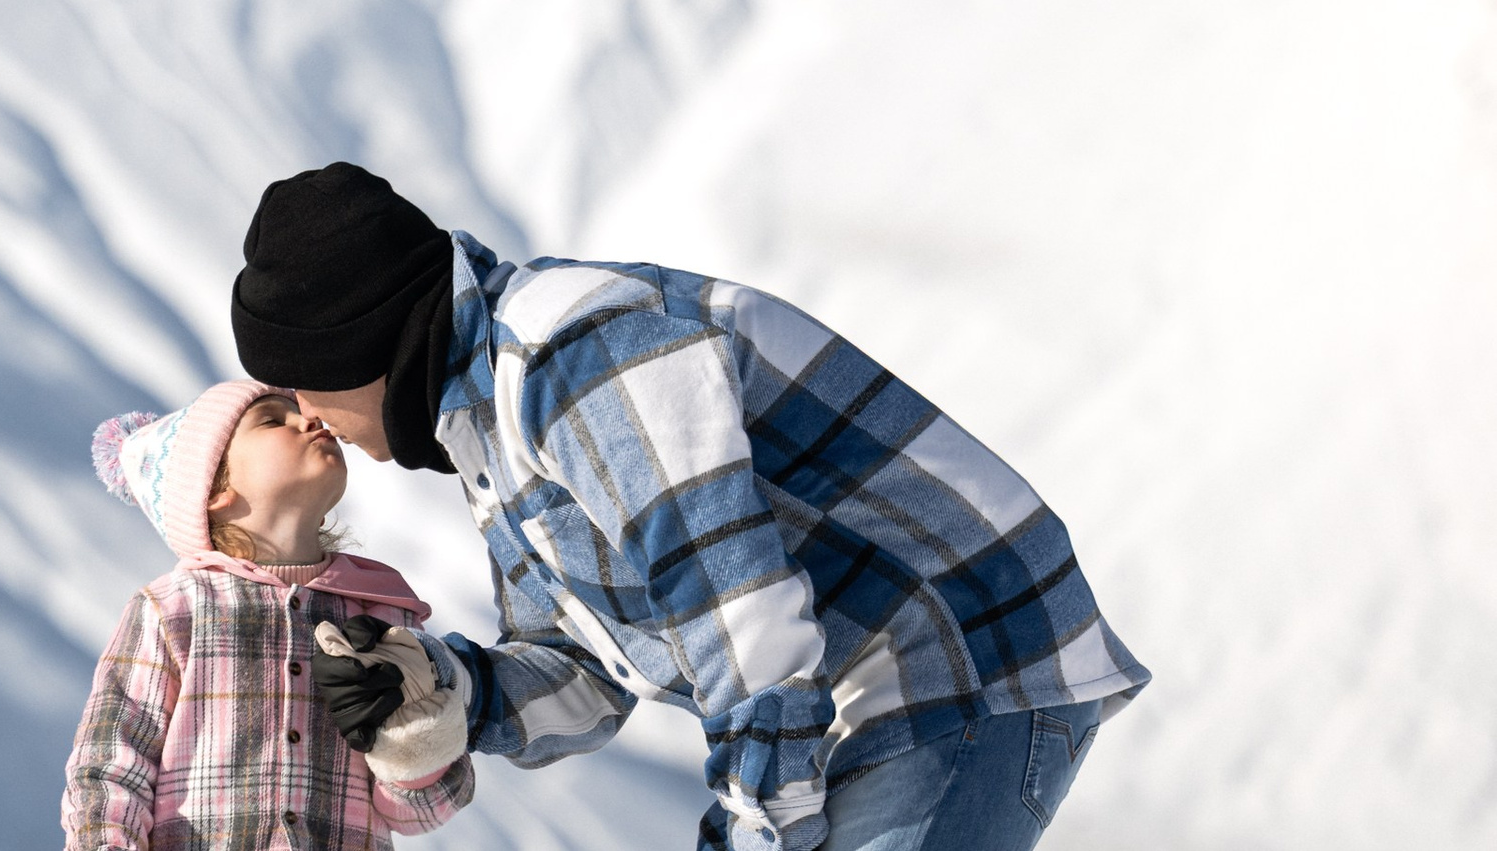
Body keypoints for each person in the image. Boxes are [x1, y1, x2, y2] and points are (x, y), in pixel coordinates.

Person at [229, 164, 1150, 851]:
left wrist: (752, 823)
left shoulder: (570, 353)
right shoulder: (490, 427)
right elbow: (590, 672)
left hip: (961, 653)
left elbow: (740, 612)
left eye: (299, 382)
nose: (305, 413)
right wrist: (447, 692)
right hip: (869, 689)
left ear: (359, 341)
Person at [64, 381, 475, 851]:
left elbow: (422, 811)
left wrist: (414, 741)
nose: (311, 418)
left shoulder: (379, 617)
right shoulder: (174, 608)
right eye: (273, 420)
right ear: (215, 489)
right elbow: (110, 764)